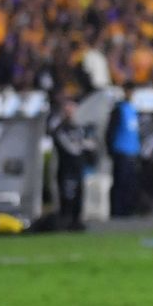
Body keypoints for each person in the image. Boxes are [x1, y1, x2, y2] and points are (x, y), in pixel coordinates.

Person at [49, 95, 95, 230]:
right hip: (66, 168)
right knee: (67, 193)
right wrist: (83, 145)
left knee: (79, 194)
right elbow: (71, 148)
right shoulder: (60, 129)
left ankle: (76, 220)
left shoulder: (79, 128)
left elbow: (90, 145)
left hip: (78, 167)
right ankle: (65, 220)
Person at [105, 82, 141, 217]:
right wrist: (111, 150)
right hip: (121, 151)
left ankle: (128, 210)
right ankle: (117, 211)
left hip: (132, 151)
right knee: (120, 182)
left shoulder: (133, 109)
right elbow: (110, 131)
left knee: (130, 184)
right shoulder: (119, 109)